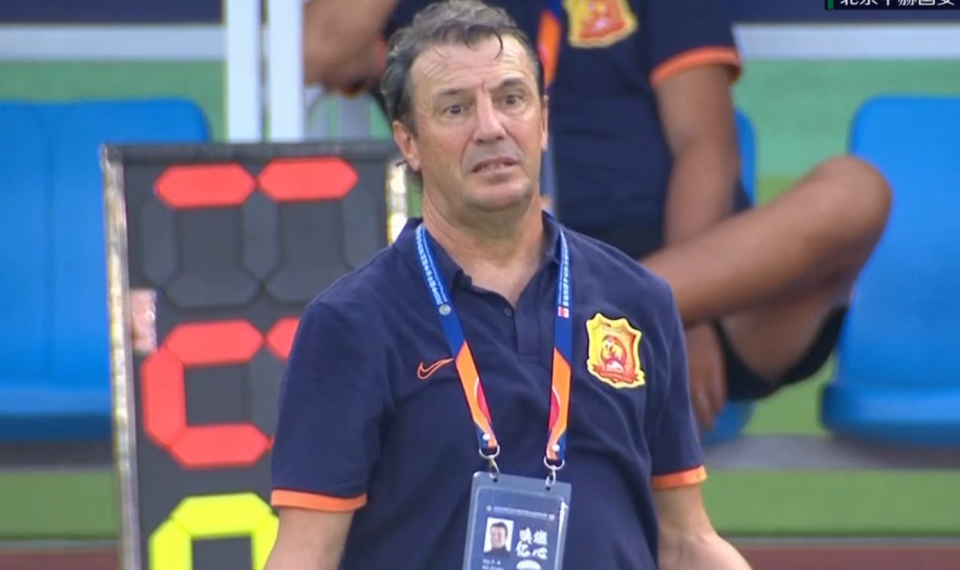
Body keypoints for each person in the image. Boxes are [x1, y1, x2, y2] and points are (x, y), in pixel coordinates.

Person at [266, 2, 751, 569]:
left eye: (511, 99)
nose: (490, 127)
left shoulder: (639, 301)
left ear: (542, 122)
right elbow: (306, 554)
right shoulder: (351, 325)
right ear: (409, 142)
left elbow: (687, 540)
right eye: (455, 108)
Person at [537, 0, 892, 429]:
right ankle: (559, 324)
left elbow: (705, 142)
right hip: (539, 267)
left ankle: (571, 323)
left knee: (856, 191)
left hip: (702, 274)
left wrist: (687, 313)